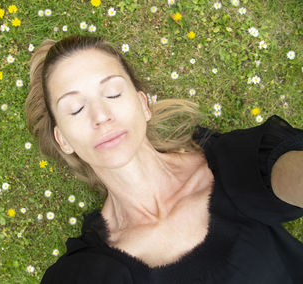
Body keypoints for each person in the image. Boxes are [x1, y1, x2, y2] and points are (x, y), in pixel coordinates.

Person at [24, 34, 303, 283]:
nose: (101, 116)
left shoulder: (232, 164)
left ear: (143, 105)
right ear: (63, 140)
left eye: (113, 93)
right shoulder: (88, 271)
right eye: (75, 109)